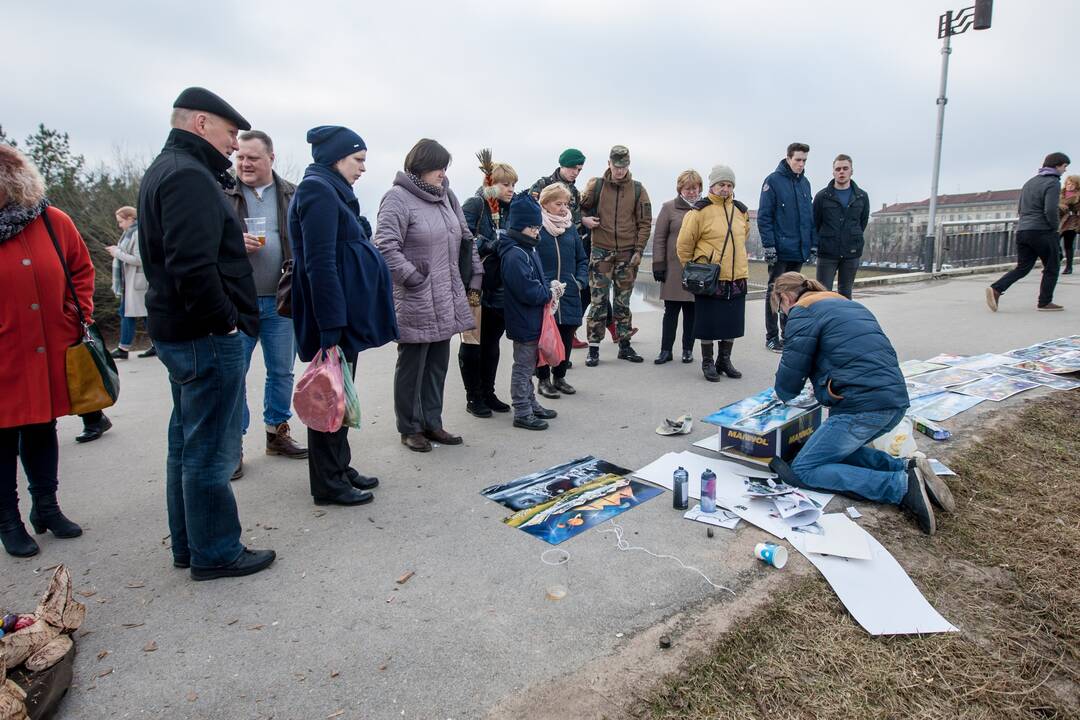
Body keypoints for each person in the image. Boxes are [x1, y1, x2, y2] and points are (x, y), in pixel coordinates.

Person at [138, 87, 275, 580]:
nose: (235, 145)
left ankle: (190, 545)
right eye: (230, 133)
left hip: (182, 330)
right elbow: (191, 266)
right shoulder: (189, 177)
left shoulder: (168, 170)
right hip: (203, 334)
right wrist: (226, 321)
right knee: (210, 450)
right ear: (200, 124)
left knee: (187, 442)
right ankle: (216, 551)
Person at [771, 272, 954, 535]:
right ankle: (907, 467)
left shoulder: (803, 311)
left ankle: (899, 486)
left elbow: (792, 369)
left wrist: (782, 394)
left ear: (785, 297)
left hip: (862, 408)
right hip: (893, 402)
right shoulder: (846, 304)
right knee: (829, 450)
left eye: (780, 309)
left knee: (805, 468)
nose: (784, 314)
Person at [290, 125, 398, 505]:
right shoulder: (317, 190)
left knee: (340, 390)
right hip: (331, 315)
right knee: (326, 394)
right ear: (336, 157)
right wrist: (330, 323)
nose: (363, 168)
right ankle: (328, 482)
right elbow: (319, 262)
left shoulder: (333, 190)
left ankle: (339, 465)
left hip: (341, 313)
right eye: (358, 160)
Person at [0, 144, 88, 557]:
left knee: (42, 427)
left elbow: (80, 269)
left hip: (47, 345)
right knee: (1, 440)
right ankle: (8, 521)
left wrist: (75, 315)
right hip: (5, 353)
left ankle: (47, 508)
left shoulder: (52, 221)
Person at [375, 139, 482, 453]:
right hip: (416, 296)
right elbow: (385, 246)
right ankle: (410, 427)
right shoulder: (397, 198)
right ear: (420, 166)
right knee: (412, 364)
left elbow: (466, 239)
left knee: (437, 363)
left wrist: (474, 276)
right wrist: (413, 277)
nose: (443, 173)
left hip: (446, 295)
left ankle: (433, 423)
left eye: (445, 167)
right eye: (438, 167)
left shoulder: (447, 196)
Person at [225, 130, 306, 475]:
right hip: (238, 300)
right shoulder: (223, 191)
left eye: (252, 158)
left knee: (282, 371)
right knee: (234, 375)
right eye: (240, 157)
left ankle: (276, 432)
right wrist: (231, 243)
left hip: (281, 300)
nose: (244, 163)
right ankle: (233, 444)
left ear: (270, 159)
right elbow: (207, 237)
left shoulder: (290, 192)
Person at [579, 145, 652, 366]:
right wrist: (584, 220)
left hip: (627, 253)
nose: (620, 171)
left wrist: (638, 250)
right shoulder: (596, 185)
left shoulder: (638, 190)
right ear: (609, 163)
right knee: (598, 301)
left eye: (624, 166)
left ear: (628, 165)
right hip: (601, 251)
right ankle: (593, 347)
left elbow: (645, 223)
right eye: (616, 166)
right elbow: (580, 208)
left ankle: (624, 344)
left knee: (623, 301)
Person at [676, 165, 748, 382]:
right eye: (721, 185)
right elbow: (684, 244)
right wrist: (694, 269)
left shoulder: (741, 211)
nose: (725, 189)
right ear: (712, 186)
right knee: (708, 323)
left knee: (731, 322)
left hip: (736, 274)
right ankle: (708, 362)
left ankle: (724, 360)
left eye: (729, 185)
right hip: (710, 276)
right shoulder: (699, 211)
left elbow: (744, 234)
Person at [458, 153, 516, 418]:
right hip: (476, 286)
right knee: (472, 343)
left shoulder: (510, 210)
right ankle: (474, 397)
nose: (511, 190)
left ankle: (489, 393)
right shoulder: (475, 204)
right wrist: (488, 243)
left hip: (500, 285)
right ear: (491, 183)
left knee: (492, 343)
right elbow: (463, 238)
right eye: (506, 185)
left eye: (513, 185)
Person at [499, 193, 558, 430]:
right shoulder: (514, 254)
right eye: (532, 227)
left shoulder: (528, 248)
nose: (536, 232)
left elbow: (539, 279)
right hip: (523, 320)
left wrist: (547, 288)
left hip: (532, 319)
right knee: (523, 368)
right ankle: (522, 410)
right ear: (519, 226)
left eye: (537, 226)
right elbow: (527, 290)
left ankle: (531, 403)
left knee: (530, 365)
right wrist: (548, 294)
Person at [987, 152, 1071, 312]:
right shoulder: (1053, 182)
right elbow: (1050, 209)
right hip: (1042, 230)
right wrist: (1055, 228)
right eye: (1064, 166)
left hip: (1023, 230)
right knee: (1052, 266)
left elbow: (1020, 208)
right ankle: (1045, 302)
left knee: (1023, 267)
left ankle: (996, 289)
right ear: (1057, 165)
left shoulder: (1030, 182)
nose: (1065, 170)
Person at [758, 142, 816, 352]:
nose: (801, 164)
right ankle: (772, 336)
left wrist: (812, 245)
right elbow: (764, 216)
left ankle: (788, 334)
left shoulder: (805, 184)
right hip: (780, 249)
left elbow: (809, 218)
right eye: (798, 160)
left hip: (798, 250)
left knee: (793, 294)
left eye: (804, 161)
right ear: (788, 158)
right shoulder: (773, 181)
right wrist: (769, 246)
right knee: (775, 292)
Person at [530, 148, 590, 349]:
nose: (575, 172)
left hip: (568, 249)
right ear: (563, 165)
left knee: (566, 330)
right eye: (573, 168)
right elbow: (528, 212)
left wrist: (579, 281)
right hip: (546, 272)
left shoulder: (574, 192)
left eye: (579, 170)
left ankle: (562, 363)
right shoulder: (542, 184)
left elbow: (575, 218)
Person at [534, 183, 588, 399]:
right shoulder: (537, 227)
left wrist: (579, 282)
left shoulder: (570, 228)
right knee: (546, 338)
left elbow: (582, 259)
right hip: (546, 294)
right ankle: (543, 380)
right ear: (545, 204)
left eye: (566, 203)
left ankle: (560, 377)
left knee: (566, 336)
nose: (564, 208)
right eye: (558, 204)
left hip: (570, 292)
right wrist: (542, 284)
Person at [652, 170, 701, 364]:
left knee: (692, 312)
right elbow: (659, 238)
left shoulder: (703, 208)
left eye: (694, 188)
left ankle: (688, 350)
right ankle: (666, 350)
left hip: (697, 270)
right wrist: (658, 264)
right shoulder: (668, 208)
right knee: (671, 312)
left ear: (700, 189)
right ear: (680, 189)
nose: (691, 192)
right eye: (687, 188)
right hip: (673, 268)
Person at [813, 154, 869, 299]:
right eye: (838, 169)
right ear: (833, 172)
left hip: (851, 252)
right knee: (822, 294)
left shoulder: (861, 197)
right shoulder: (822, 196)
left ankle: (843, 321)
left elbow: (862, 222)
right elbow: (815, 223)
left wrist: (851, 236)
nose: (841, 172)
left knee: (845, 294)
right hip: (827, 252)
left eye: (845, 168)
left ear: (851, 171)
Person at [105, 206, 153, 358]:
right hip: (130, 282)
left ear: (130, 219)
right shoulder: (130, 233)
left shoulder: (137, 233)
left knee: (131, 314)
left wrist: (116, 252)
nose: (119, 225)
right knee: (136, 314)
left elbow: (139, 259)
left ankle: (124, 348)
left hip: (137, 282)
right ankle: (155, 345)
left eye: (121, 221)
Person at [1059, 174, 1079, 275]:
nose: (1069, 186)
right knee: (1053, 241)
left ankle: (1069, 267)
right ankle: (1058, 256)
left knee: (1068, 244)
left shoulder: (1078, 196)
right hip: (1060, 221)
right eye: (1068, 183)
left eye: (1072, 184)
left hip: (1072, 221)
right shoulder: (1061, 194)